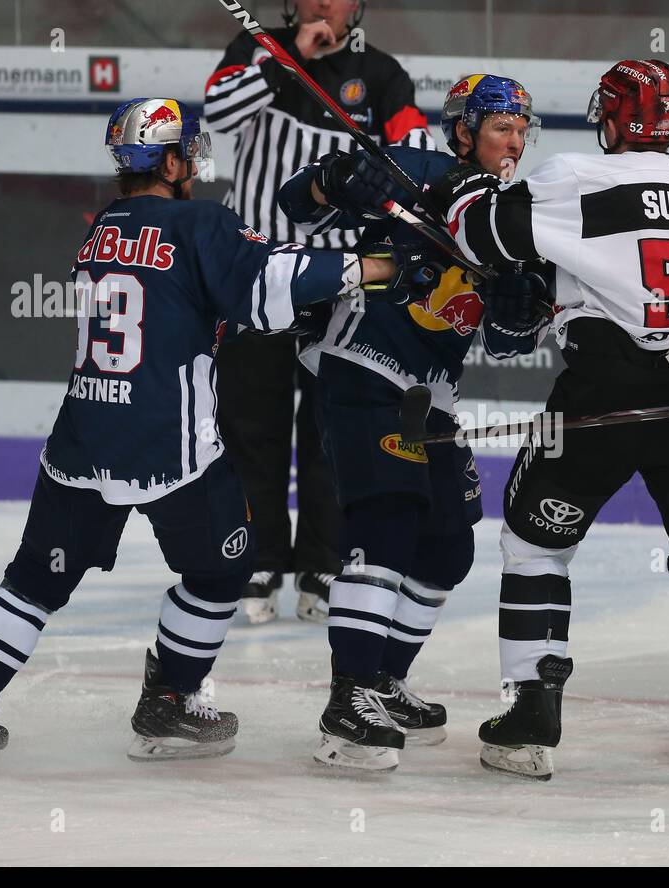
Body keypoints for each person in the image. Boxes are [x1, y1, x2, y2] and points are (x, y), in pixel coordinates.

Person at [0, 97, 411, 775]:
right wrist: (374, 267)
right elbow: (265, 283)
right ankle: (170, 701)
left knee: (34, 579)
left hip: (83, 437)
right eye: (190, 152)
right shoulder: (197, 219)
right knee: (221, 570)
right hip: (167, 444)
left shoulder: (102, 230)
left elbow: (174, 307)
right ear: (172, 160)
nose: (196, 164)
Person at [426, 60, 669, 789]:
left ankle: (532, 711)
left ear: (609, 118)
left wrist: (465, 191)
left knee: (534, 544)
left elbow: (480, 236)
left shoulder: (573, 173)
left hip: (600, 402)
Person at [279, 75, 553, 771]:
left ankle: (383, 682)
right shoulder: (418, 170)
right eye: (501, 128)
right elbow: (294, 207)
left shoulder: (513, 217)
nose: (515, 142)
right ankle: (348, 702)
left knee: (446, 551)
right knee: (387, 525)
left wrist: (521, 311)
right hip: (363, 366)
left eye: (522, 130)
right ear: (464, 131)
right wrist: (333, 180)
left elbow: (506, 343)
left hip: (430, 396)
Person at [204, 0, 433, 625]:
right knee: (252, 423)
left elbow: (417, 150)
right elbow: (218, 114)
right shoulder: (258, 48)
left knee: (334, 430)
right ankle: (259, 559)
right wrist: (291, 60)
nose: (325, 4)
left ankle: (324, 561)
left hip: (339, 280)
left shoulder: (381, 74)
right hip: (254, 270)